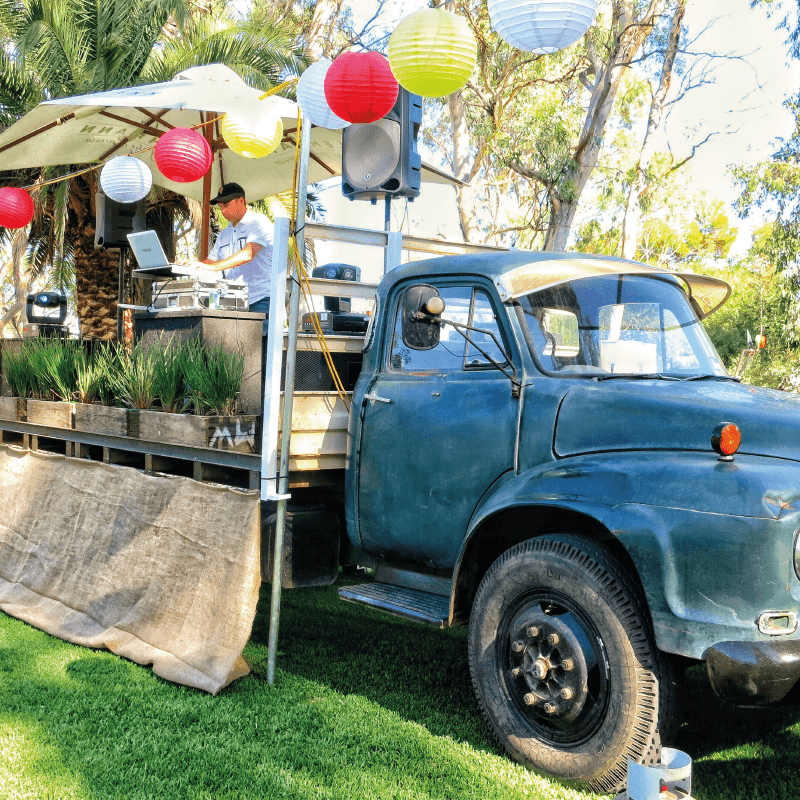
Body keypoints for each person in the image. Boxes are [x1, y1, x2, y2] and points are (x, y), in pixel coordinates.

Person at [183, 182, 274, 317]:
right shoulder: (224, 234)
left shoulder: (259, 222)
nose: (223, 211)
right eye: (220, 207)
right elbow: (211, 262)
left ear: (241, 201)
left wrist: (212, 268)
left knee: (260, 339)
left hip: (260, 299)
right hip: (233, 301)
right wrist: (192, 266)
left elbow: (248, 254)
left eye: (226, 205)